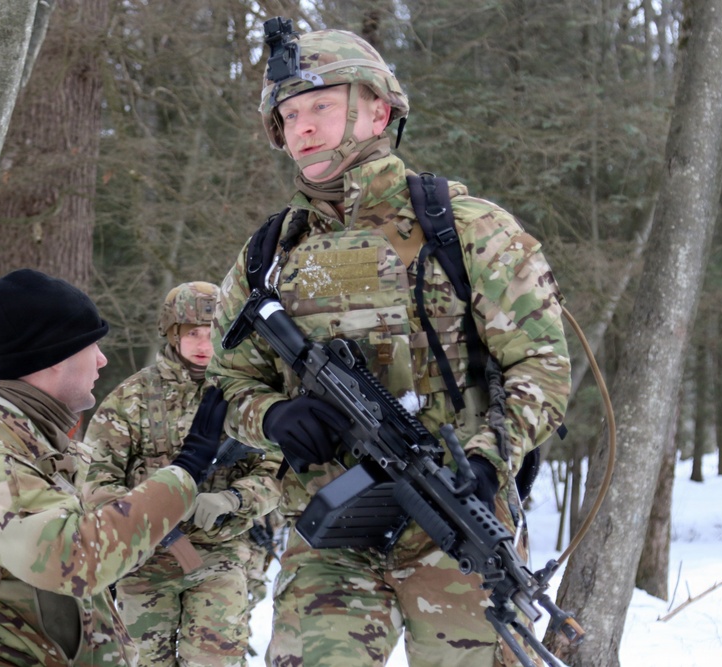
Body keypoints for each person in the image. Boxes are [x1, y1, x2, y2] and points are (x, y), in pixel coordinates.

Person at [208, 20, 571, 667]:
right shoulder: (269, 255)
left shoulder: (468, 230)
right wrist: (272, 416)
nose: (303, 128)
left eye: (319, 105)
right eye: (289, 116)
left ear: (379, 111)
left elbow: (541, 370)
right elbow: (224, 384)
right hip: (329, 543)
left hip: (454, 529)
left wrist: (487, 461)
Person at [0, 268, 228, 666]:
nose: (102, 359)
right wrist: (186, 470)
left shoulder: (40, 452)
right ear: (54, 357)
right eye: (92, 346)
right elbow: (74, 557)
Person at [83, 281, 282, 667]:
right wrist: (151, 515)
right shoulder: (132, 397)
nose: (204, 343)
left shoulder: (245, 396)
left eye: (213, 333)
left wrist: (233, 498)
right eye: (193, 333)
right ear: (172, 332)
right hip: (143, 561)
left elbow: (275, 471)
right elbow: (94, 481)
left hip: (220, 555)